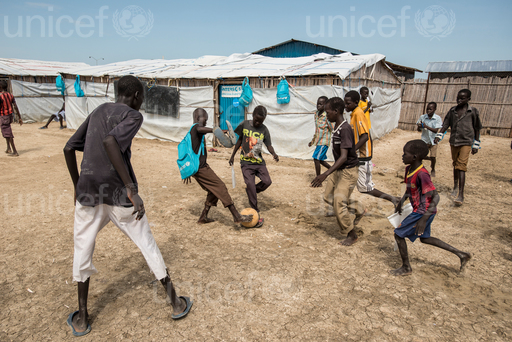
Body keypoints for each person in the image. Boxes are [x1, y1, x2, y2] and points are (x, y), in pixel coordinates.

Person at [63, 76, 191, 337]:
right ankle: (176, 303)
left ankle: (82, 318)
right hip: (120, 193)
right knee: (146, 242)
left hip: (88, 193)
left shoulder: (98, 110)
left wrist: (78, 186)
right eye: (142, 98)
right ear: (135, 96)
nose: (141, 103)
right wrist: (132, 190)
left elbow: (68, 148)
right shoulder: (132, 115)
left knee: (82, 248)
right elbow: (111, 143)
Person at [390, 139, 471, 276]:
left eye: (405, 154)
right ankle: (462, 254)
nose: (402, 156)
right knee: (425, 238)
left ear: (414, 157)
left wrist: (423, 218)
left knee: (398, 234)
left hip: (423, 211)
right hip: (421, 210)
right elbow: (409, 188)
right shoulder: (409, 169)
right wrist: (401, 201)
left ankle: (406, 267)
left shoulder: (422, 174)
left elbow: (436, 197)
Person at [184, 108, 253, 225]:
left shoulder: (195, 132)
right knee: (220, 186)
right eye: (204, 119)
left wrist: (223, 132)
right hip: (201, 169)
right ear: (197, 119)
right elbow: (200, 128)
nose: (206, 122)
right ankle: (236, 216)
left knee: (213, 190)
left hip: (200, 167)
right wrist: (215, 130)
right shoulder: (195, 128)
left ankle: (203, 217)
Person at [311, 97, 365, 246]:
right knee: (329, 197)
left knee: (338, 202)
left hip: (348, 171)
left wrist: (325, 174)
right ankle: (359, 208)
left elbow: (343, 157)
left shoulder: (345, 128)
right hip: (339, 170)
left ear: (336, 111)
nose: (326, 115)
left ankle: (351, 234)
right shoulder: (337, 126)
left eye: (328, 112)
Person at [344, 90, 399, 207]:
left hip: (363, 156)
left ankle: (394, 199)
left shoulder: (358, 113)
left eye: (348, 104)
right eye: (345, 103)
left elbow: (365, 136)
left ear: (355, 102)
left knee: (365, 188)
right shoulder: (354, 113)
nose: (346, 106)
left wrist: (353, 150)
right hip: (358, 155)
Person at [229, 105, 279, 227]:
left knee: (267, 181)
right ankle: (255, 209)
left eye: (260, 121)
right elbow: (239, 140)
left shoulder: (264, 130)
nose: (257, 123)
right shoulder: (245, 124)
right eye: (256, 120)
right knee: (250, 183)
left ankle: (252, 191)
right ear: (253, 115)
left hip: (259, 162)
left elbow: (269, 145)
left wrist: (274, 153)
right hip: (246, 162)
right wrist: (232, 156)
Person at [434, 89, 482, 205]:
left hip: (466, 142)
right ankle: (455, 186)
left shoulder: (473, 112)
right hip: (454, 142)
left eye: (462, 98)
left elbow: (477, 128)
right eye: (458, 98)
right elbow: (446, 124)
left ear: (468, 99)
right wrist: (439, 135)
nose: (459, 100)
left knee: (461, 166)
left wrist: (476, 144)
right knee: (455, 164)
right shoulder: (452, 111)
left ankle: (461, 194)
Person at [308, 96, 332, 177]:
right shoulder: (316, 114)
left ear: (325, 105)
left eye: (321, 104)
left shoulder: (327, 116)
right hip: (318, 141)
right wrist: (312, 141)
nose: (318, 106)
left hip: (324, 141)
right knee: (320, 160)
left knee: (316, 159)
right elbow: (317, 130)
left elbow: (333, 128)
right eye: (318, 104)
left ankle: (318, 178)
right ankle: (333, 170)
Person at [416, 102, 442, 177]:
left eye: (430, 109)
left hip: (434, 140)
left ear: (434, 109)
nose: (428, 111)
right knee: (420, 156)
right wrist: (420, 126)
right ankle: (419, 170)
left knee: (433, 156)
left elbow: (436, 130)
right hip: (424, 140)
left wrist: (426, 126)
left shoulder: (437, 118)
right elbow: (418, 129)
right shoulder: (423, 117)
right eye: (427, 109)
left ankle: (433, 168)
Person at [0, 80, 22, 157]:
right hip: (9, 116)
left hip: (4, 116)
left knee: (8, 133)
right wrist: (19, 117)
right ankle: (8, 148)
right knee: (6, 132)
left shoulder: (0, 96)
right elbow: (15, 106)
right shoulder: (10, 95)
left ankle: (15, 151)